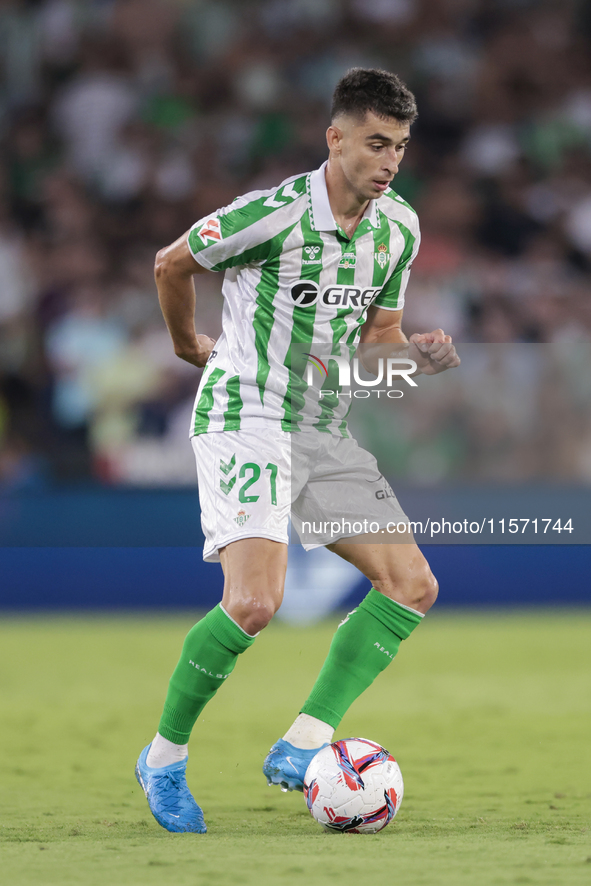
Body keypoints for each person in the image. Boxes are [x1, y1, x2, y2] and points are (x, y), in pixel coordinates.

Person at [135, 68, 460, 834]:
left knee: (410, 585)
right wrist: (189, 346)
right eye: (375, 143)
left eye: (401, 147)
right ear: (335, 138)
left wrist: (417, 357)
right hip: (244, 412)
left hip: (321, 426)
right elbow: (169, 262)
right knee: (253, 603)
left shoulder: (398, 228)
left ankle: (304, 742)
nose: (388, 161)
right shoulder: (272, 214)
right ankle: (163, 760)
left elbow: (377, 340)